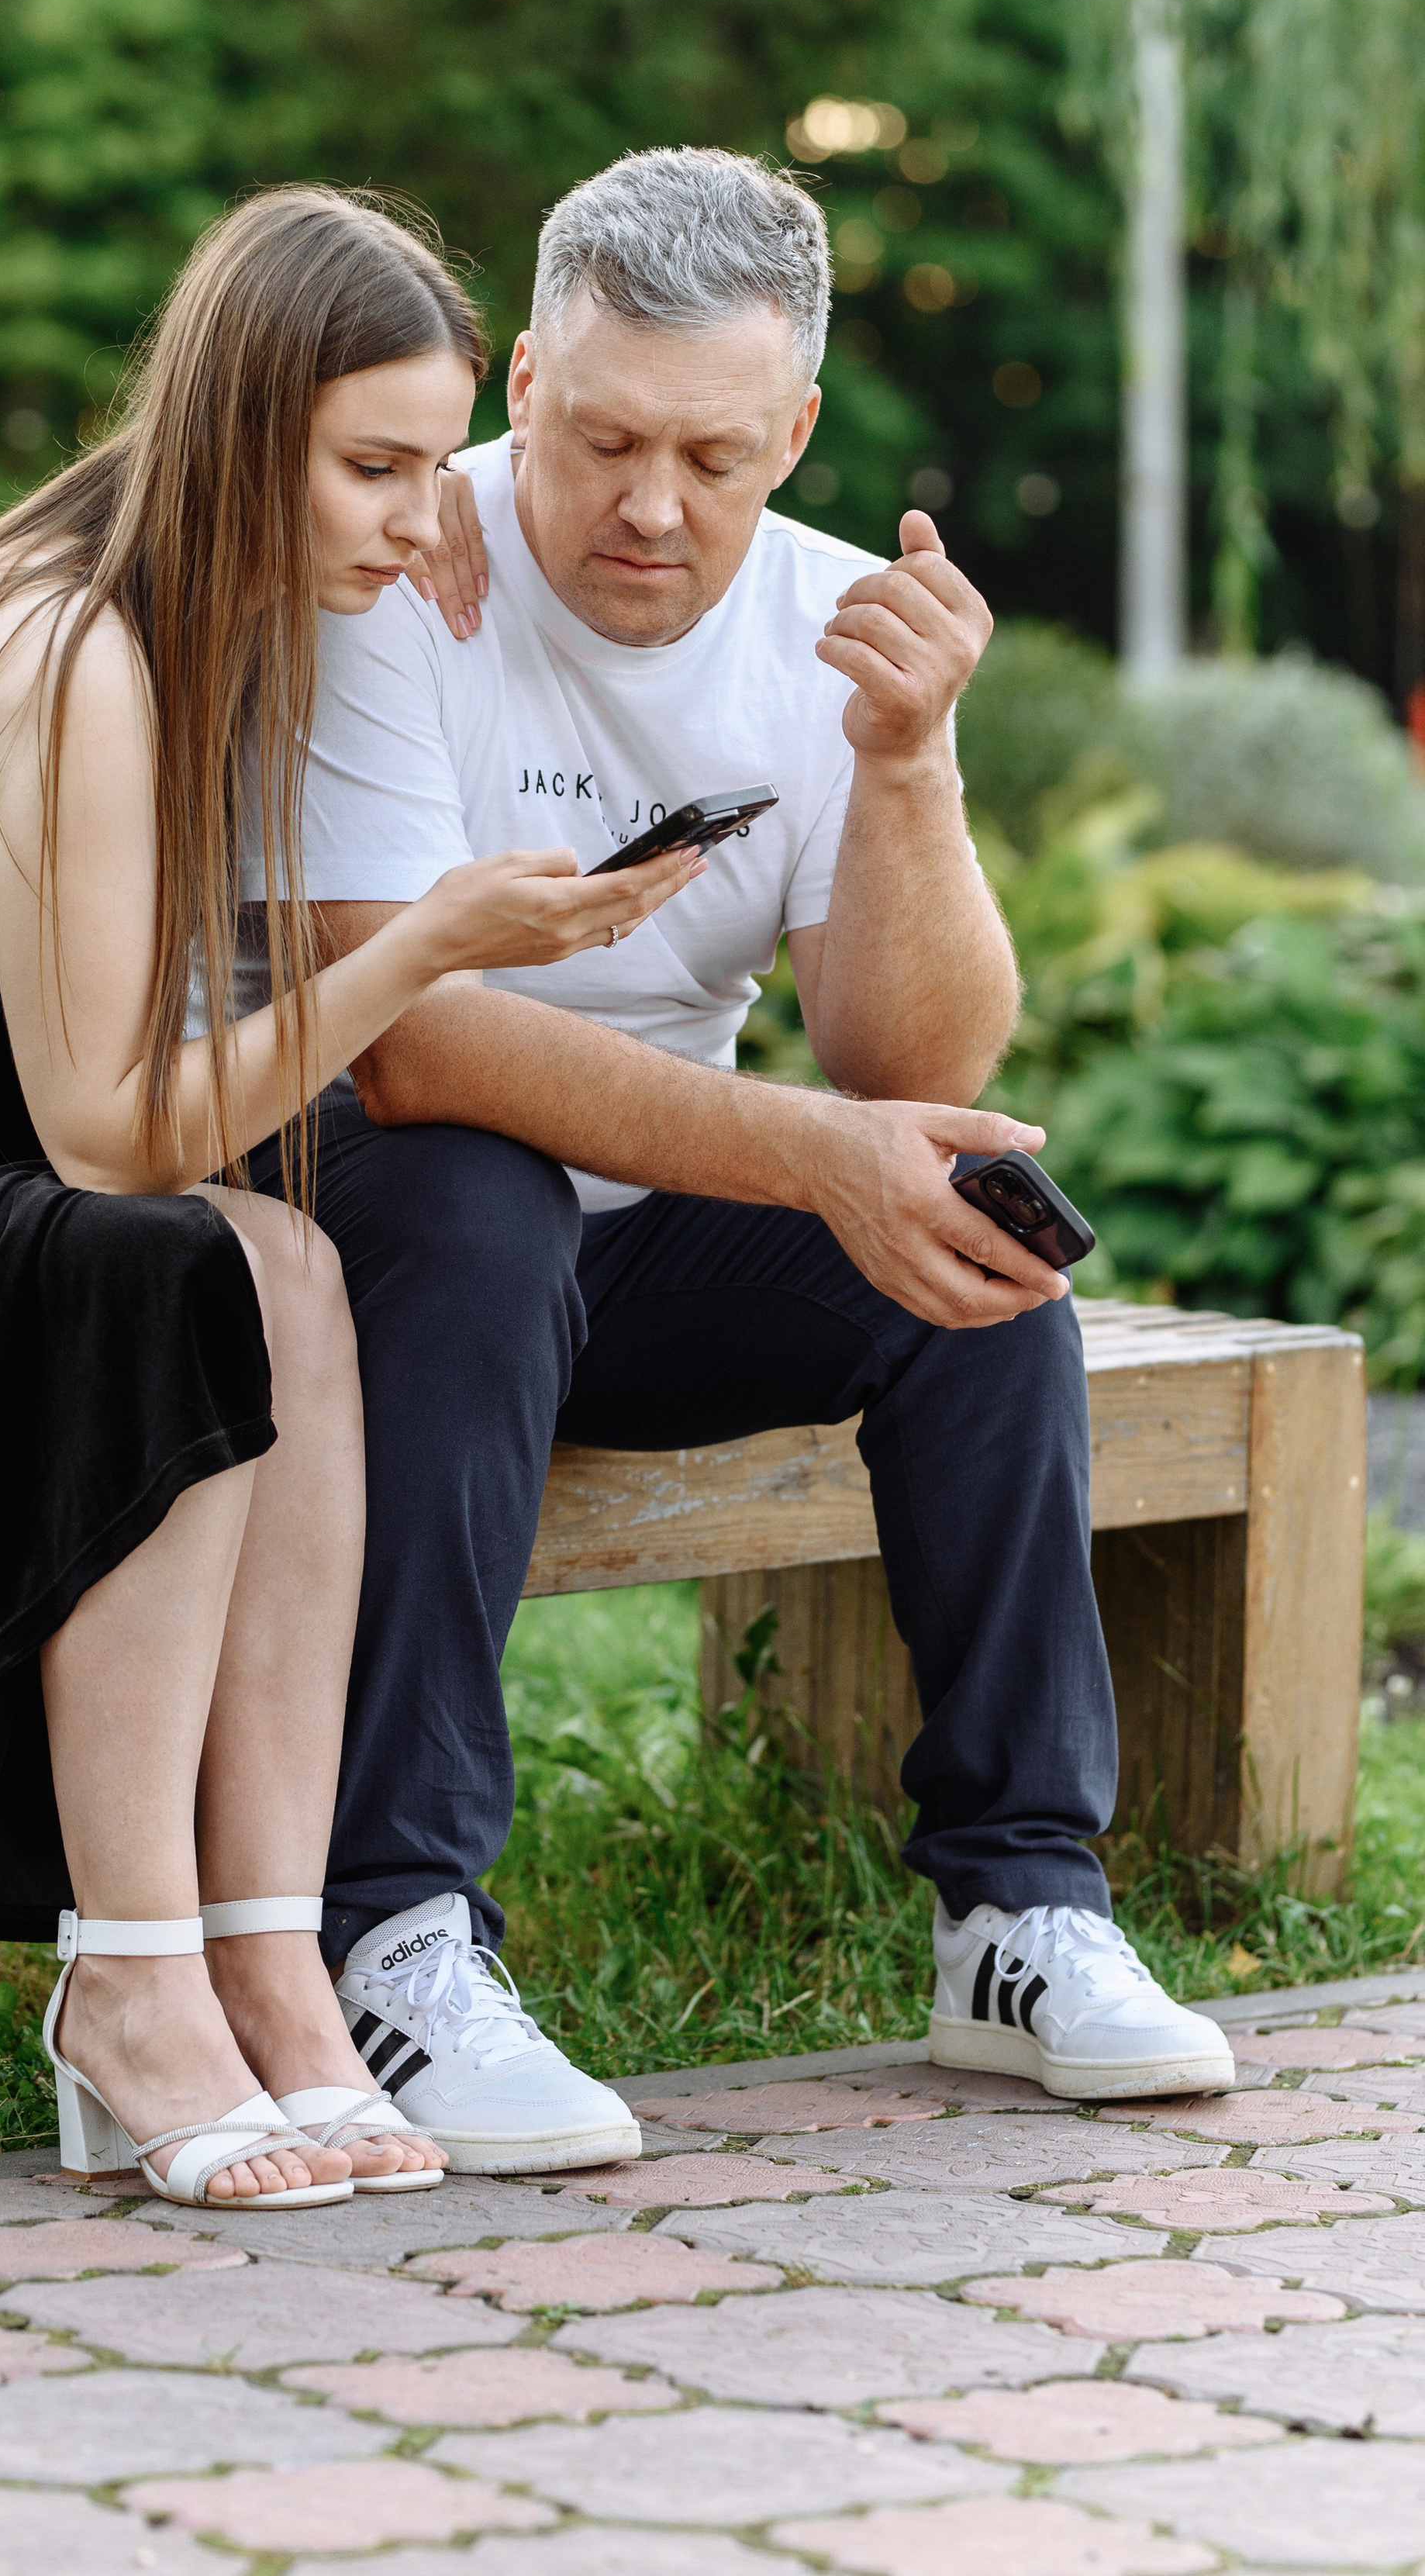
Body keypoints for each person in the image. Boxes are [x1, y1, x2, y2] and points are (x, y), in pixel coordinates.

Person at [0, 187, 693, 2209]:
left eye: (440, 466)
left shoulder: (221, 616)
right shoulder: (73, 651)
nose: (428, 520)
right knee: (177, 1265)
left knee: (294, 1270)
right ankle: (129, 1983)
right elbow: (109, 1142)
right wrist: (424, 947)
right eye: (376, 467)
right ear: (243, 431)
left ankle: (274, 1954)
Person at [243, 146, 1236, 2167]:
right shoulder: (395, 578)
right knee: (474, 1185)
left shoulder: (820, 623)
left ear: (794, 429)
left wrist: (904, 770)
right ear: (519, 381)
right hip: (358, 1243)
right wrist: (816, 1154)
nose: (650, 506)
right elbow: (412, 1046)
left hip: (650, 1258)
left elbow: (907, 1061)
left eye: (715, 455)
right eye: (603, 437)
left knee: (963, 1237)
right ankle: (397, 1933)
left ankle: (1023, 1909)